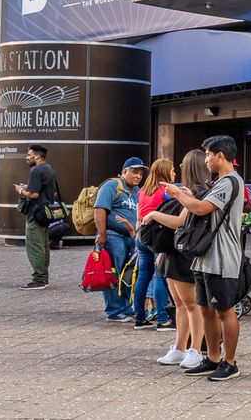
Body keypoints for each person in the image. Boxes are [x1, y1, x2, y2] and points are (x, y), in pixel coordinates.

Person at [165, 135, 245, 382]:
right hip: (205, 257)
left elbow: (200, 209)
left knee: (224, 310)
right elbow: (202, 205)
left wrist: (178, 195)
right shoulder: (219, 181)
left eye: (209, 155)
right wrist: (188, 194)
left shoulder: (229, 182)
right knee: (206, 309)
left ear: (221, 155)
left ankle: (229, 363)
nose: (206, 160)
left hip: (222, 257)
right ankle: (211, 358)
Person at [141, 148, 210, 370]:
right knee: (180, 304)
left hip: (184, 253)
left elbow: (180, 221)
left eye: (183, 165)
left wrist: (152, 215)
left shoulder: (197, 192)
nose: (179, 168)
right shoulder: (187, 191)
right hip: (173, 252)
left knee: (191, 304)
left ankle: (196, 349)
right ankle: (179, 348)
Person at [94, 157, 145, 322]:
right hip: (113, 237)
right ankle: (114, 311)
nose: (138, 176)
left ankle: (125, 307)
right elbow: (100, 209)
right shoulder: (112, 186)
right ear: (124, 172)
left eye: (140, 174)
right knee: (113, 272)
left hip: (130, 238)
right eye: (134, 172)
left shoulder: (136, 191)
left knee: (127, 274)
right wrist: (102, 234)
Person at [133, 158, 175, 330]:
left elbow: (138, 216)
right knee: (160, 275)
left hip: (142, 236)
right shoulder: (166, 192)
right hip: (158, 238)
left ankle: (139, 318)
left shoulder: (142, 191)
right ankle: (163, 319)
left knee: (143, 276)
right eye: (172, 170)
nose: (174, 173)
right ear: (164, 172)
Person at [13, 144, 57, 288]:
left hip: (35, 214)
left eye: (29, 154)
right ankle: (44, 277)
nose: (27, 157)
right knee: (43, 246)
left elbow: (33, 194)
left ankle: (39, 279)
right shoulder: (48, 169)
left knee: (35, 246)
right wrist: (28, 186)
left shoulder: (36, 170)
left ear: (37, 156)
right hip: (45, 213)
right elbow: (43, 190)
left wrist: (20, 190)